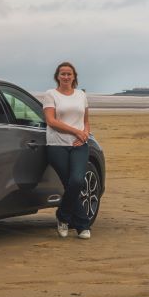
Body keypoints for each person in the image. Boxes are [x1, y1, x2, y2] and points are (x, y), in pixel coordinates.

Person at [42, 61, 93, 239]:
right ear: (57, 76)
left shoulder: (81, 95)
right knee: (69, 183)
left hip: (79, 144)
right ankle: (82, 225)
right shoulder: (50, 94)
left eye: (68, 74)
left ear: (74, 77)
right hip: (57, 145)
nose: (65, 77)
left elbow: (86, 120)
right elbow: (51, 121)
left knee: (77, 181)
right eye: (62, 74)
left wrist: (85, 133)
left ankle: (62, 216)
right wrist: (76, 132)